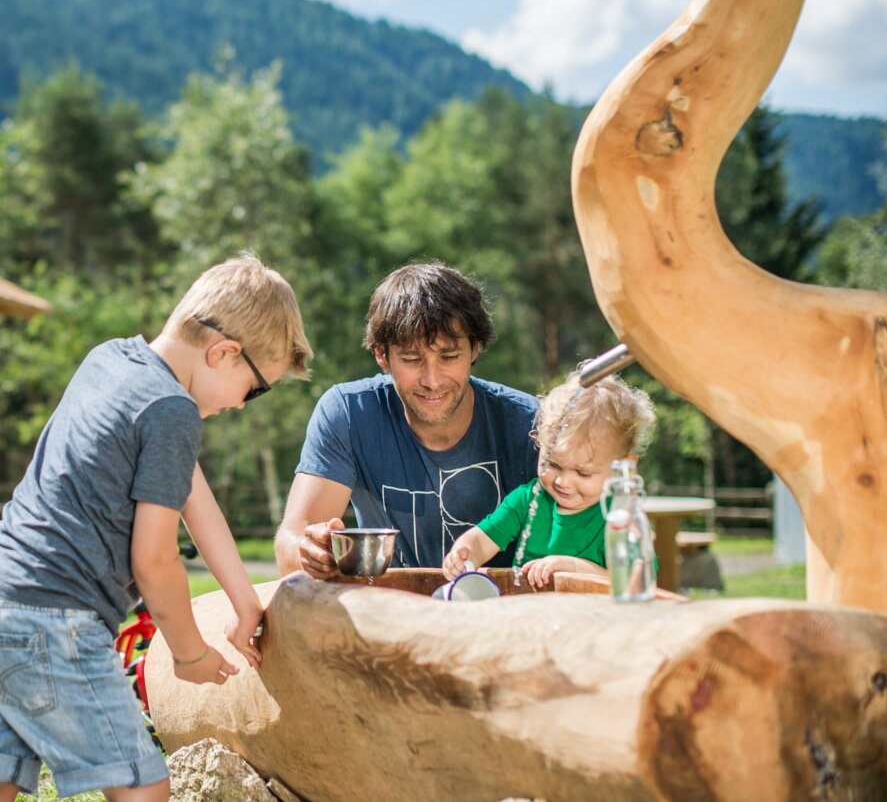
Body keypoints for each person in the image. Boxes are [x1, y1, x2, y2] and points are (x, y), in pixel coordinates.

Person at [0, 252, 311, 802]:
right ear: (224, 353)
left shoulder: (112, 361)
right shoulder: (172, 411)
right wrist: (189, 654)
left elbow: (195, 497)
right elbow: (155, 560)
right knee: (143, 788)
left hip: (9, 594)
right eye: (255, 389)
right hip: (56, 618)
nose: (243, 406)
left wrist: (246, 604)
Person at [275, 261, 538, 576]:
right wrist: (311, 551)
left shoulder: (531, 424)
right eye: (412, 359)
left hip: (506, 613)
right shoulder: (349, 413)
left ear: (475, 349)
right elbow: (291, 544)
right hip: (390, 613)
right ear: (382, 355)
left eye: (449, 357)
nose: (432, 380)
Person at [442, 370, 656, 588]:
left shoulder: (621, 518)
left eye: (582, 473)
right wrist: (465, 554)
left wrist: (572, 568)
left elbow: (637, 583)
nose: (563, 482)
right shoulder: (529, 499)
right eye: (552, 465)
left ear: (624, 467)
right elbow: (481, 540)